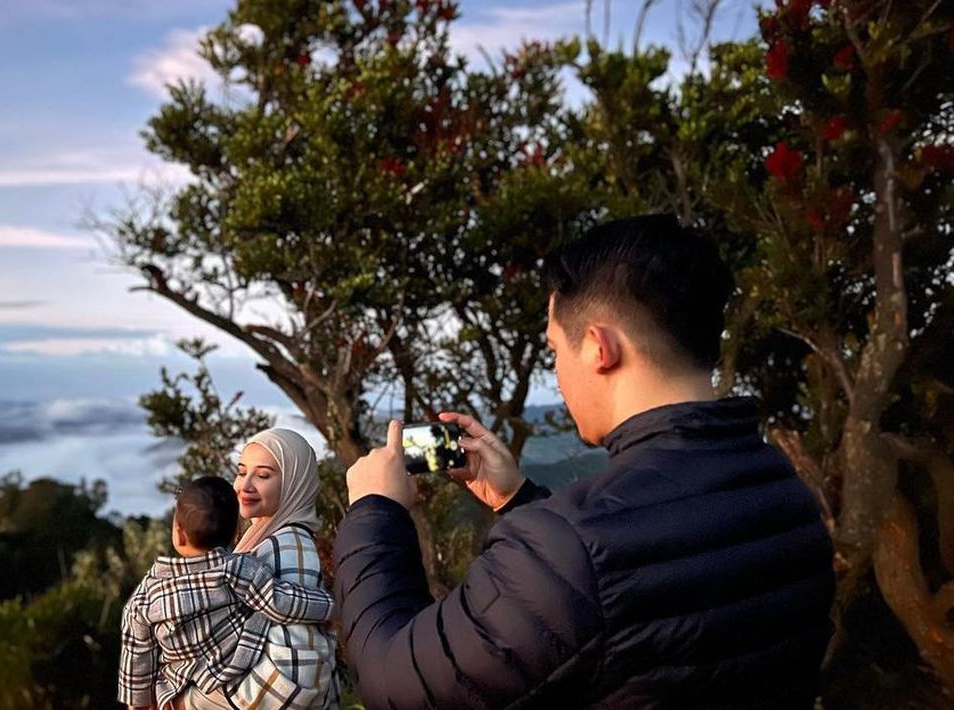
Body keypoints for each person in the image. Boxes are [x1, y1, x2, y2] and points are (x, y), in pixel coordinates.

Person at [336, 214, 835, 708]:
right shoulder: (784, 492)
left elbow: (391, 683)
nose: (557, 373)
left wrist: (375, 513)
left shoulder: (570, 550)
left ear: (599, 347)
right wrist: (519, 502)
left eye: (555, 349)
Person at [117, 476, 334, 710]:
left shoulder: (147, 595)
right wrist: (330, 605)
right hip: (237, 676)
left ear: (178, 534)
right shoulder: (238, 569)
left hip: (178, 687)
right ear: (235, 534)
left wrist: (138, 703)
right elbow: (281, 601)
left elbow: (137, 654)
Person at [224, 428, 340, 710]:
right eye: (242, 472)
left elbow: (300, 671)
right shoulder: (262, 537)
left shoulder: (287, 546)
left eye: (263, 475)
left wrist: (214, 701)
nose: (245, 485)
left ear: (293, 484)